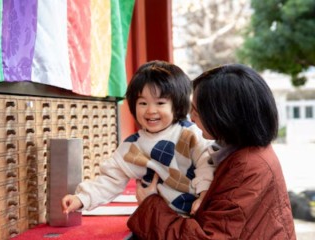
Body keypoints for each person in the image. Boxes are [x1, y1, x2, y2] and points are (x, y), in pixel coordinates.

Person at [127, 63, 297, 239]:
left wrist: (150, 205)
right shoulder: (245, 151)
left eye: (197, 111)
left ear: (224, 115)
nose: (191, 118)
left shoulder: (248, 166)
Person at [61, 60, 215, 216]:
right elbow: (110, 179)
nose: (150, 110)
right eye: (142, 103)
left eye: (160, 103)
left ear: (177, 105)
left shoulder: (190, 134)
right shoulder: (132, 147)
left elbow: (207, 164)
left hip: (199, 210)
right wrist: (81, 198)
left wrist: (204, 196)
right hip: (159, 218)